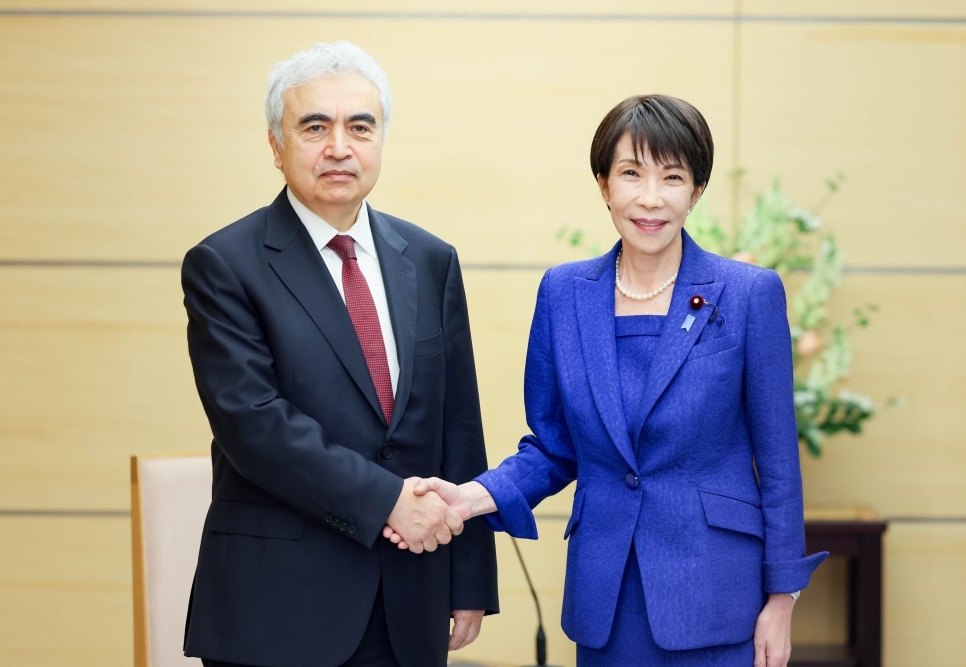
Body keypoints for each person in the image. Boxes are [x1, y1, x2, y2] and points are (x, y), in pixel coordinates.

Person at [387, 95, 828, 666]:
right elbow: (553, 446)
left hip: (719, 597)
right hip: (607, 597)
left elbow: (778, 461)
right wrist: (472, 497)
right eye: (630, 174)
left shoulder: (747, 295)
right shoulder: (564, 293)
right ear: (603, 185)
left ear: (696, 192)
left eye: (672, 177)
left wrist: (782, 598)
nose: (650, 198)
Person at [181, 41, 497, 667]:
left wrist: (469, 582)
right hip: (279, 606)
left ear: (381, 140)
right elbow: (256, 425)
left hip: (409, 599)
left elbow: (457, 425)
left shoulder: (430, 260)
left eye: (360, 126)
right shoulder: (225, 264)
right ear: (276, 145)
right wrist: (388, 502)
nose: (339, 147)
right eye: (314, 127)